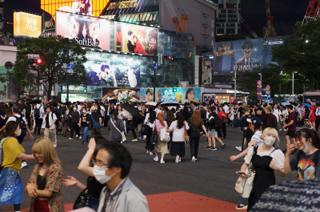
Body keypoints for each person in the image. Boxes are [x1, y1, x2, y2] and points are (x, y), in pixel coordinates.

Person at [94, 142, 149, 212]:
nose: (96, 166)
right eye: (96, 161)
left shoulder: (134, 199)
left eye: (100, 162)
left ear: (116, 169)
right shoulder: (105, 191)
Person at [239, 127, 285, 210]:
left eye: (274, 136)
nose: (271, 138)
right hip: (252, 183)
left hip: (267, 185)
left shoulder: (277, 153)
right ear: (263, 136)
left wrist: (277, 167)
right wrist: (243, 172)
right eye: (269, 135)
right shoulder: (254, 149)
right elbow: (245, 164)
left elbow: (283, 173)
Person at [0, 121, 34, 212]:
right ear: (14, 130)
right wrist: (35, 156)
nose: (19, 130)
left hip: (8, 170)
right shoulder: (12, 141)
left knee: (14, 191)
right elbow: (20, 155)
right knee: (9, 191)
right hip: (10, 170)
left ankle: (17, 210)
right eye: (18, 128)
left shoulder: (5, 139)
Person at [26, 138, 64, 212]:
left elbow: (49, 193)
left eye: (40, 153)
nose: (36, 155)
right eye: (35, 153)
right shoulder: (37, 166)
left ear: (47, 152)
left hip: (50, 207)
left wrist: (31, 189)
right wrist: (28, 187)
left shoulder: (55, 168)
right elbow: (30, 183)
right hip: (36, 205)